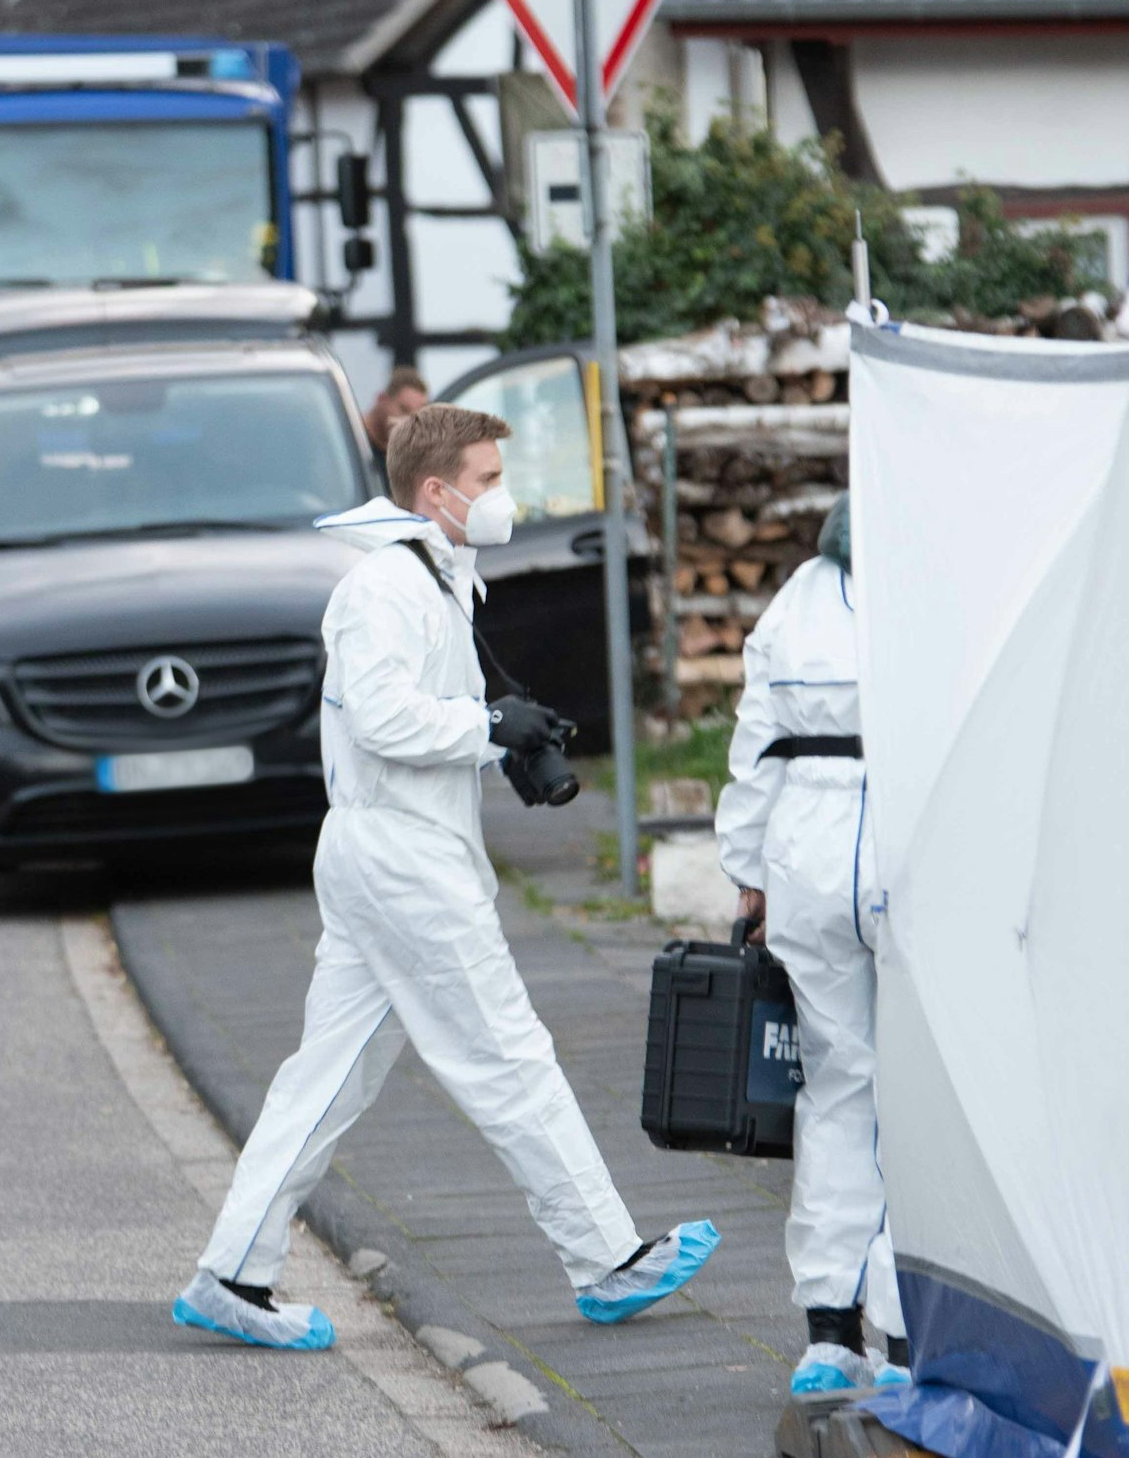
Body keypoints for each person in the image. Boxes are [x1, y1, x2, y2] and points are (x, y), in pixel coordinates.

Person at [174, 403, 719, 1352]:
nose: (503, 497)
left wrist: (496, 739)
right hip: (402, 860)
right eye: (489, 479)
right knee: (507, 1055)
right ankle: (603, 1258)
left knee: (326, 1081)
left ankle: (231, 1272)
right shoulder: (386, 588)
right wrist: (484, 731)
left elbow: (414, 716)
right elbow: (384, 719)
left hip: (389, 854)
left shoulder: (433, 576)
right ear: (437, 492)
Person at [715, 494, 908, 1396]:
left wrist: (747, 872)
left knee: (835, 1086)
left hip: (808, 852)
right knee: (924, 1103)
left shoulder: (795, 599)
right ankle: (905, 1333)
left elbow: (756, 749)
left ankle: (828, 1331)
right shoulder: (938, 585)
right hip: (910, 843)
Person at [361, 366, 427, 463]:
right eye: (404, 410)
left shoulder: (401, 460)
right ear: (382, 399)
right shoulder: (345, 436)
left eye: (415, 417)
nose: (407, 421)